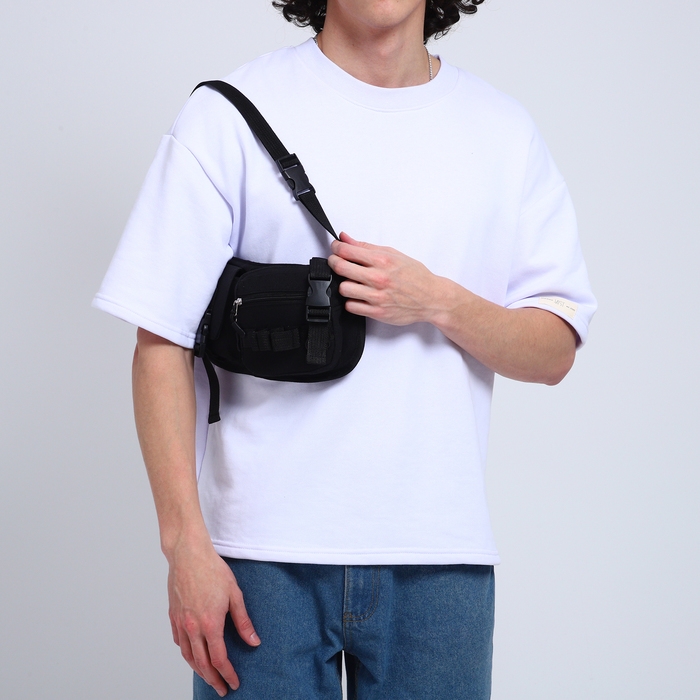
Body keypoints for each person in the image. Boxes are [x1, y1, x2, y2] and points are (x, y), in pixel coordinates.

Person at [94, 1, 596, 697]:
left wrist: (437, 301)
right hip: (256, 562)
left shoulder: (502, 132)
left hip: (440, 561)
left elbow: (553, 351)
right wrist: (184, 547)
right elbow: (159, 341)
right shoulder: (228, 115)